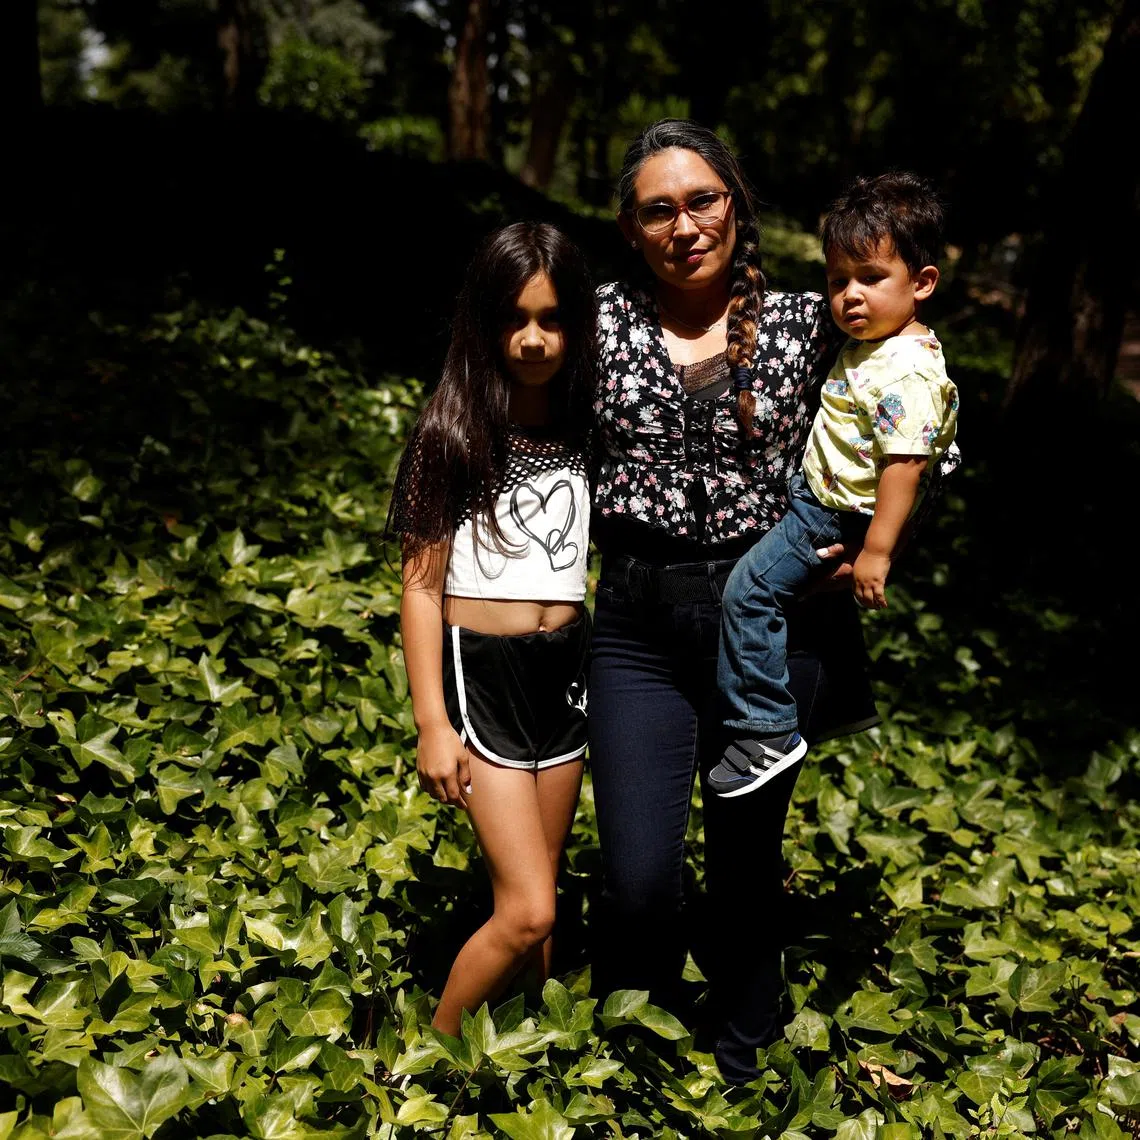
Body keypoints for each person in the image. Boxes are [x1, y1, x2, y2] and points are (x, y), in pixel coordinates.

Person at [588, 119, 879, 1085]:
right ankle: (630, 1059)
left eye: (702, 200)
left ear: (736, 205)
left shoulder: (807, 323)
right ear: (631, 230)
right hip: (637, 626)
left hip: (769, 628)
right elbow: (516, 407)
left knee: (745, 869)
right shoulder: (596, 324)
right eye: (657, 211)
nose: (684, 226)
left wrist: (874, 543)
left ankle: (743, 1062)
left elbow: (917, 416)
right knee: (638, 880)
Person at [387, 222, 596, 1037]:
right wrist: (432, 724)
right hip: (484, 678)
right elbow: (420, 590)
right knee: (528, 910)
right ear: (485, 321)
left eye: (551, 319)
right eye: (515, 319)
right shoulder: (451, 436)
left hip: (565, 673)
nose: (533, 339)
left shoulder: (585, 428)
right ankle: (419, 1066)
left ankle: (522, 1061)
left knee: (542, 900)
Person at [709, 172, 960, 799]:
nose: (850, 296)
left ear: (922, 283)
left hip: (830, 516)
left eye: (871, 278)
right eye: (838, 280)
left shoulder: (906, 369)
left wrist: (876, 551)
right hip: (820, 501)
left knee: (749, 593)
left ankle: (765, 728)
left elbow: (906, 465)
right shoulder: (879, 346)